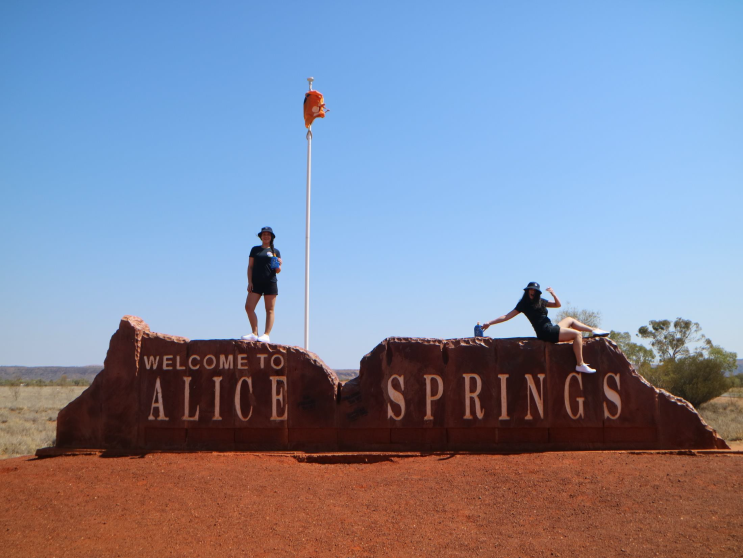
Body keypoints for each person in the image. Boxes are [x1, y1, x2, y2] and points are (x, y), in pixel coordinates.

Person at [482, 282, 610, 373]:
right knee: (577, 334)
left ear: (537, 293)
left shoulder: (541, 301)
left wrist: (553, 294)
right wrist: (490, 323)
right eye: (530, 292)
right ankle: (580, 364)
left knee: (570, 319)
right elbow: (506, 316)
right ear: (527, 292)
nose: (532, 294)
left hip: (550, 327)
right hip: (545, 332)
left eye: (534, 292)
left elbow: (558, 305)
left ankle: (594, 330)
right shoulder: (523, 304)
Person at [242, 227, 282, 343]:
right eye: (264, 234)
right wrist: (250, 282)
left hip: (270, 282)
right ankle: (254, 333)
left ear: (271, 237)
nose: (266, 236)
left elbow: (278, 270)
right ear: (261, 236)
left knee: (269, 309)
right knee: (249, 307)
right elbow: (250, 266)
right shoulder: (255, 250)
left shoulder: (275, 251)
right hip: (256, 282)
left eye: (268, 234)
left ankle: (266, 334)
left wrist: (279, 264)